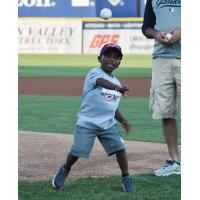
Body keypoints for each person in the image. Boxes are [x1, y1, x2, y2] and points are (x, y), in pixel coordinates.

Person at [52, 43, 135, 192]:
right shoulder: (94, 73)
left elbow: (112, 106)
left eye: (116, 57)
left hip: (108, 124)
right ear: (99, 58)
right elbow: (101, 82)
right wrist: (117, 88)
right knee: (78, 151)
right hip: (87, 122)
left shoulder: (117, 82)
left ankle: (126, 177)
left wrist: (123, 121)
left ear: (119, 63)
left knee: (120, 148)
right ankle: (65, 169)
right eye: (108, 55)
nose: (111, 59)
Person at [142, 0, 181, 176]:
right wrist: (157, 34)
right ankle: (175, 162)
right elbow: (146, 27)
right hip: (161, 59)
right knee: (166, 112)